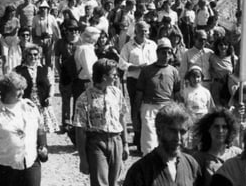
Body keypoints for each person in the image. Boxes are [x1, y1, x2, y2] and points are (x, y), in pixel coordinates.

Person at [0, 72, 48, 186]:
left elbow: (40, 128)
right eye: (18, 89)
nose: (22, 92)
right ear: (6, 90)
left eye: (23, 88)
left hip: (30, 163)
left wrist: (43, 146)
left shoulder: (30, 107)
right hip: (3, 168)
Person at [73, 59, 129, 186]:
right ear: (104, 77)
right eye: (114, 74)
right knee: (100, 183)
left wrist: (125, 143)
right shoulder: (84, 98)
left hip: (116, 141)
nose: (116, 77)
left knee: (113, 182)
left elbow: (122, 118)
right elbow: (80, 129)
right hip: (97, 143)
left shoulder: (117, 93)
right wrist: (83, 159)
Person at [124, 102, 203, 186]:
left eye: (183, 132)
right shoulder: (141, 170)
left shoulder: (191, 165)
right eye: (173, 131)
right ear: (159, 131)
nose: (178, 138)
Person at [135, 37, 182, 154]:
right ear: (157, 53)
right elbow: (139, 94)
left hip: (167, 108)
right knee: (149, 143)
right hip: (149, 107)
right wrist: (136, 114)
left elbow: (177, 94)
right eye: (163, 52)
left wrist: (179, 112)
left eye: (169, 52)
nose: (166, 55)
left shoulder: (174, 71)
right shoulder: (146, 70)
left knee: (166, 140)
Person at [118, 21, 157, 152]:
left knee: (149, 108)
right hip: (134, 80)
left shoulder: (152, 45)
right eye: (141, 30)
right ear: (136, 31)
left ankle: (147, 138)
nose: (143, 33)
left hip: (150, 80)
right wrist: (137, 67)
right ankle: (138, 136)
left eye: (146, 31)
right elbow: (122, 64)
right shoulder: (128, 46)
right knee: (136, 108)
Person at [14, 44, 59, 133]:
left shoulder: (46, 69)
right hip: (26, 103)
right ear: (25, 56)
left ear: (39, 56)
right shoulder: (18, 70)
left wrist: (50, 96)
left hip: (42, 102)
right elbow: (14, 86)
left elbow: (51, 85)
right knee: (27, 129)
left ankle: (42, 146)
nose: (33, 57)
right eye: (30, 54)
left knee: (41, 129)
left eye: (35, 54)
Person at [190, 109, 242, 186]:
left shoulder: (238, 154)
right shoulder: (198, 159)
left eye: (224, 127)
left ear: (229, 130)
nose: (220, 130)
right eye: (216, 127)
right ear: (208, 129)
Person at [54, 19, 80, 131]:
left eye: (75, 29)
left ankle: (75, 121)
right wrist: (60, 73)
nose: (73, 32)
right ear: (66, 31)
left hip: (78, 73)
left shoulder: (81, 41)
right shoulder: (60, 43)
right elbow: (56, 60)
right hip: (65, 73)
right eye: (71, 30)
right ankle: (66, 122)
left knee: (78, 99)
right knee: (66, 98)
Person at [73, 27, 101, 102]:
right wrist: (95, 84)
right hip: (86, 82)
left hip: (87, 81)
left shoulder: (87, 48)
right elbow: (88, 69)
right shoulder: (85, 49)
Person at [31, 0, 61, 69]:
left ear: (48, 9)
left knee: (49, 57)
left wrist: (59, 38)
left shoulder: (51, 17)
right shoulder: (35, 18)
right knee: (39, 57)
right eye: (41, 8)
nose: (43, 9)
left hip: (49, 39)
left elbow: (56, 28)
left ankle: (49, 72)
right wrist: (34, 39)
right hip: (38, 39)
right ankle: (40, 73)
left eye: (45, 8)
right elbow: (33, 30)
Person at [208, 37, 238, 107]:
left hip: (229, 85)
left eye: (225, 45)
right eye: (220, 45)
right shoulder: (212, 57)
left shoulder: (233, 58)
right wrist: (214, 75)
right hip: (216, 85)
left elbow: (236, 72)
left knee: (228, 106)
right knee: (217, 106)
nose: (223, 47)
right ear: (217, 46)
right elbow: (209, 69)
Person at [0, 5, 20, 74]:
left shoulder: (16, 20)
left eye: (13, 13)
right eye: (11, 13)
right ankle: (5, 76)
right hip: (4, 39)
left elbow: (19, 30)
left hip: (14, 40)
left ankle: (13, 74)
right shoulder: (0, 20)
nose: (12, 15)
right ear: (7, 13)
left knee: (13, 58)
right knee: (5, 58)